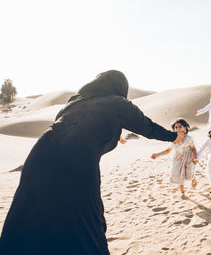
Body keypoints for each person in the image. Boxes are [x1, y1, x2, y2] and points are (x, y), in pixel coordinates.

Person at [0, 70, 185, 255]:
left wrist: (113, 131)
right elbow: (147, 126)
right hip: (77, 163)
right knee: (87, 223)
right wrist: (173, 136)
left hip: (39, 157)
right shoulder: (118, 103)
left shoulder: (75, 101)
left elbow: (81, 124)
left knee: (29, 212)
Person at [151, 118, 197, 199]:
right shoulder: (173, 140)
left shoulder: (189, 138)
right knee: (180, 176)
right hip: (178, 159)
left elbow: (193, 148)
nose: (178, 128)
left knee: (189, 174)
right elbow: (168, 150)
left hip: (188, 158)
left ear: (185, 128)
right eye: (176, 127)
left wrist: (195, 157)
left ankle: (194, 179)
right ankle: (182, 192)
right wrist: (158, 154)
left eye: (180, 126)